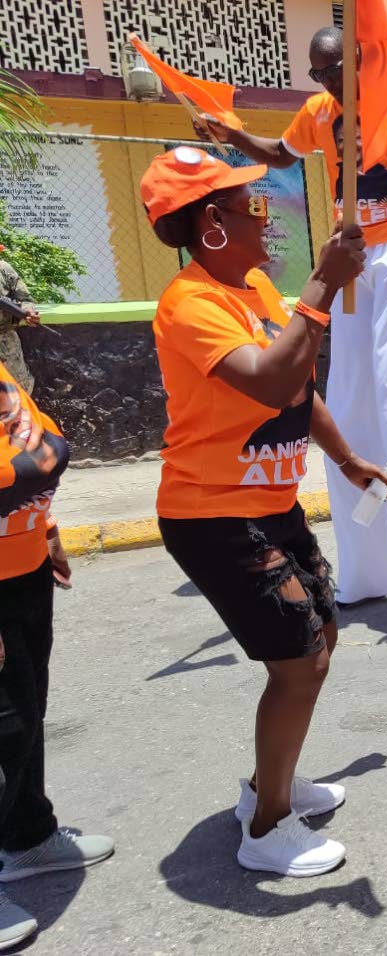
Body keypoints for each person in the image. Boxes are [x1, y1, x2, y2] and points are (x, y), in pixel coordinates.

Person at [141, 146, 387, 875]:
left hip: (270, 505)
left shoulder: (250, 286)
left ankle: (269, 784)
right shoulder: (191, 304)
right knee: (298, 663)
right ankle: (267, 829)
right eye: (251, 204)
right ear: (210, 223)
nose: (267, 214)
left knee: (322, 637)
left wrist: (346, 459)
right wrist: (322, 282)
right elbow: (273, 381)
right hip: (213, 515)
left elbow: (300, 390)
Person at [199, 26, 387, 633]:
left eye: (333, 69)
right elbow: (279, 154)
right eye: (317, 72)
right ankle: (366, 576)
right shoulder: (319, 111)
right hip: (348, 253)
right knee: (348, 408)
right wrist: (232, 134)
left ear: (357, 60)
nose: (326, 81)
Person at [0, 361, 111, 949]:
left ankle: (27, 836)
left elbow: (31, 453)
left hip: (21, 569)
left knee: (24, 712)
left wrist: (45, 531)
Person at [0, 250, 38, 394]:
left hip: (5, 341)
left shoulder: (4, 269)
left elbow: (25, 299)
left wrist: (28, 312)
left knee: (20, 390)